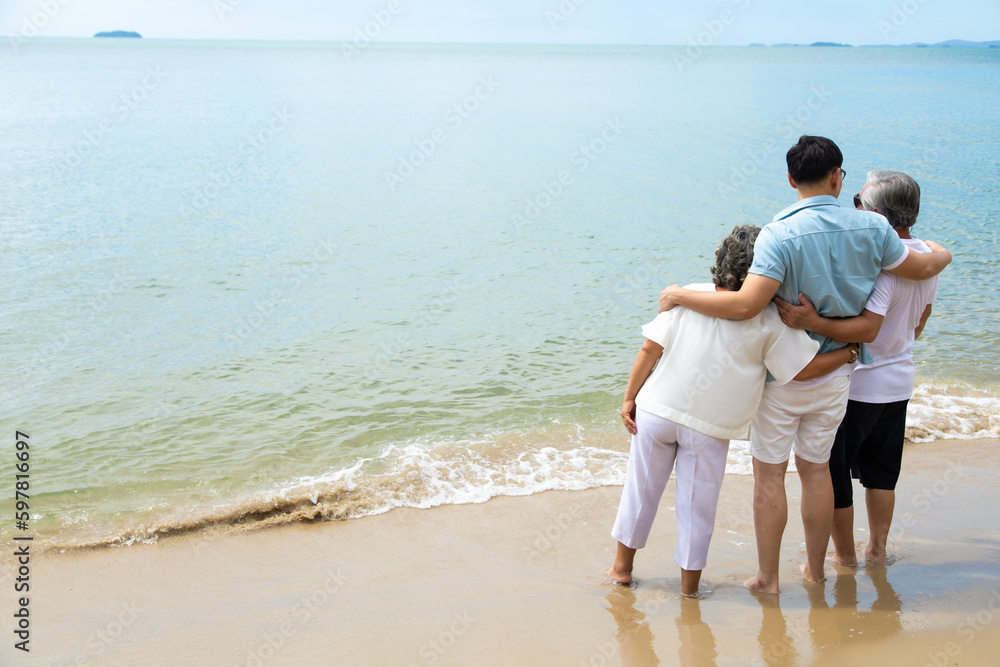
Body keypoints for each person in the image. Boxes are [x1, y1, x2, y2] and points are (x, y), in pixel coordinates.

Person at [657, 136, 951, 593]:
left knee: (770, 475)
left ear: (790, 179)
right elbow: (920, 269)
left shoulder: (778, 233)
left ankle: (768, 579)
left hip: (785, 376)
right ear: (838, 176)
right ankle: (816, 571)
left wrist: (678, 296)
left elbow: (745, 306)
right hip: (838, 372)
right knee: (817, 471)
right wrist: (944, 254)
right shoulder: (873, 230)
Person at [607, 225, 860, 597]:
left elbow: (650, 349)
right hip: (709, 426)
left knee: (640, 491)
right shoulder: (771, 319)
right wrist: (850, 351)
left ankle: (621, 570)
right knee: (697, 505)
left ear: (719, 260)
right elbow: (802, 370)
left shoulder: (689, 295)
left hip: (656, 408)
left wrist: (629, 397)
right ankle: (689, 590)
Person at [775, 171, 937, 567]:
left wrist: (811, 322)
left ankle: (845, 557)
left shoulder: (885, 267)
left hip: (861, 384)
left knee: (834, 474)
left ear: (877, 216)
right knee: (883, 473)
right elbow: (920, 320)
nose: (855, 212)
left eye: (858, 204)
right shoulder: (926, 262)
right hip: (899, 381)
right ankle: (877, 550)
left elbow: (868, 327)